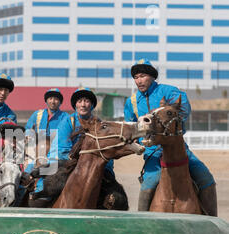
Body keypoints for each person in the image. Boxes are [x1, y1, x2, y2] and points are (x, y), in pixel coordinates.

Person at [124, 59, 217, 216]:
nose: (139, 80)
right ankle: (142, 223)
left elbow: (184, 109)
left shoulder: (168, 91)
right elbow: (131, 127)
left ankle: (212, 222)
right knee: (149, 184)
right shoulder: (131, 102)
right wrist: (134, 141)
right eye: (136, 77)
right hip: (153, 153)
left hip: (178, 149)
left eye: (143, 76)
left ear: (152, 77)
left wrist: (166, 119)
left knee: (205, 178)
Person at [26, 88, 114, 206]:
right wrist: (81, 163)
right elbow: (62, 150)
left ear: (92, 105)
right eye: (80, 101)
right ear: (75, 105)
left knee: (116, 197)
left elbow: (107, 149)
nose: (83, 105)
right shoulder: (68, 121)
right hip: (66, 162)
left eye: (86, 101)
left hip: (92, 164)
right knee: (44, 194)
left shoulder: (99, 124)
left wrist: (107, 168)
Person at [24, 88, 70, 172]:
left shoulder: (65, 117)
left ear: (60, 102)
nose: (53, 101)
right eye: (50, 98)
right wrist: (28, 135)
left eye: (56, 99)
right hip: (36, 149)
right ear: (46, 101)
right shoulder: (37, 114)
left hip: (56, 151)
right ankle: (26, 175)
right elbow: (28, 129)